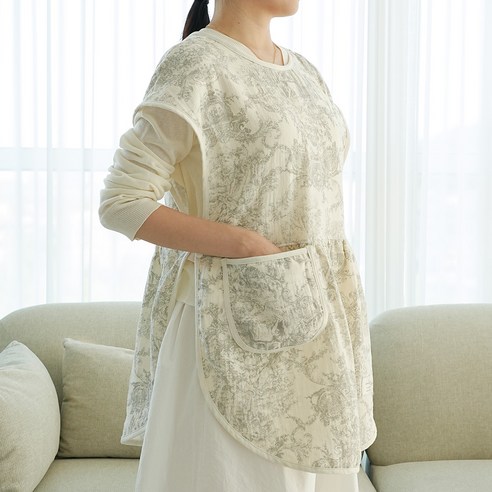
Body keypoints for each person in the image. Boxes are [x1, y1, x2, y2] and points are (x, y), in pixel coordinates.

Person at [99, 0, 376, 490]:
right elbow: (122, 202)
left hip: (313, 328)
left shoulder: (304, 72)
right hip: (227, 330)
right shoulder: (196, 64)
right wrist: (244, 244)